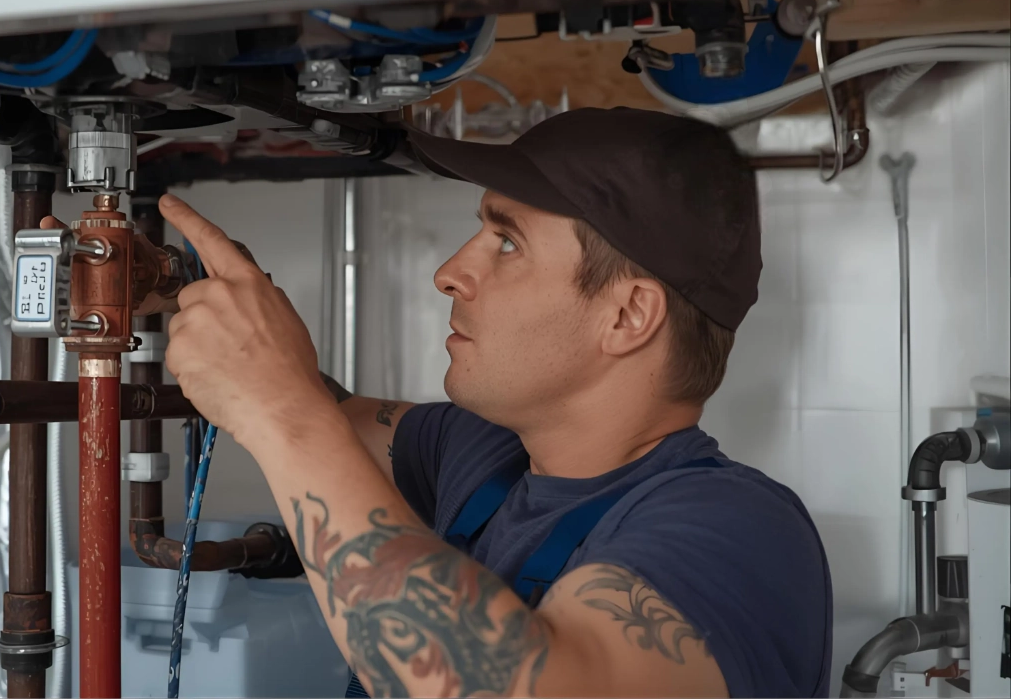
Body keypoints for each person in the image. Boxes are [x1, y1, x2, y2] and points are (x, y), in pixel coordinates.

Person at [159, 107, 832, 698]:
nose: (449, 272)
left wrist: (278, 409)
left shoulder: (740, 535)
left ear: (628, 315)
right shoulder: (480, 451)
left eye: (506, 241)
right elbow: (322, 411)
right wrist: (219, 307)